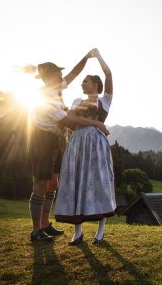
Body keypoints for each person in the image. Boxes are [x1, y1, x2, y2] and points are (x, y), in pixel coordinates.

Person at [29, 50, 108, 242]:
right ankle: (36, 230)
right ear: (51, 76)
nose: (62, 75)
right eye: (58, 72)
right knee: (41, 182)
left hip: (55, 140)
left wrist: (86, 57)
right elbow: (70, 122)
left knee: (53, 182)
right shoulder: (46, 97)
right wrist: (96, 124)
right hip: (43, 140)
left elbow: (73, 73)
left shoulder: (56, 88)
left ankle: (46, 223)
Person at [54, 49, 116, 245]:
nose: (82, 83)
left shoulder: (104, 100)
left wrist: (97, 57)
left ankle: (101, 230)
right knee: (77, 181)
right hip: (78, 142)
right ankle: (78, 231)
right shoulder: (76, 101)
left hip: (97, 145)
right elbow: (70, 120)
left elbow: (109, 74)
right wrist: (96, 123)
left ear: (95, 84)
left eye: (86, 81)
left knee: (99, 182)